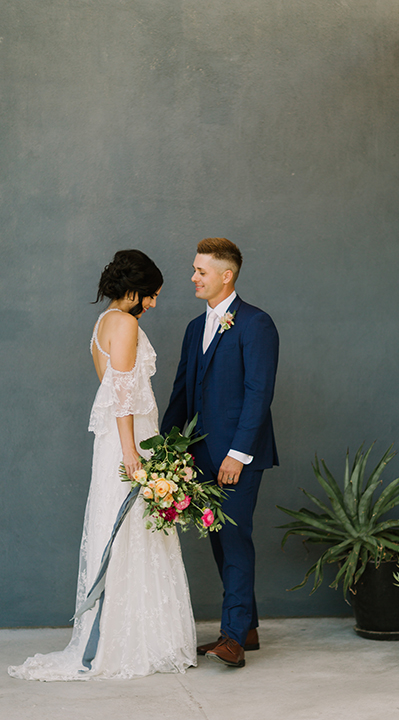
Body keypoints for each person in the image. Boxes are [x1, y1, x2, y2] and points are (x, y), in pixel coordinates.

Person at [8, 250, 197, 681]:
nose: (153, 304)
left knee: (133, 531)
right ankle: (129, 642)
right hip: (129, 443)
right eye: (151, 295)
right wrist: (133, 453)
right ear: (135, 290)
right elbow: (124, 395)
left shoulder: (103, 324)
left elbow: (114, 389)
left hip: (121, 439)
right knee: (132, 531)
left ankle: (130, 634)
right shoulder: (126, 324)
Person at [161, 238, 279, 669]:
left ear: (226, 276)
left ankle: (232, 638)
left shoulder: (255, 323)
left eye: (201, 271)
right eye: (194, 269)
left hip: (237, 457)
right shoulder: (196, 328)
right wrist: (168, 450)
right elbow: (181, 392)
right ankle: (245, 627)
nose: (193, 277)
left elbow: (258, 393)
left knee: (234, 538)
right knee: (219, 542)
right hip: (197, 457)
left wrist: (238, 453)